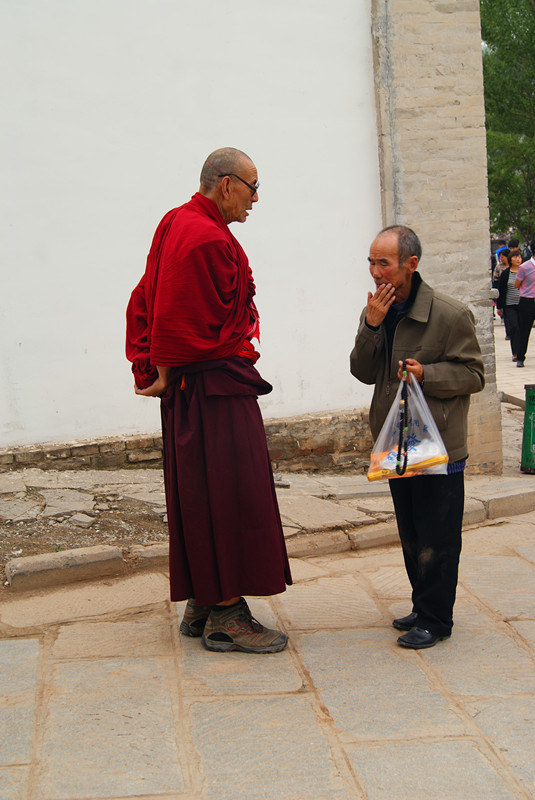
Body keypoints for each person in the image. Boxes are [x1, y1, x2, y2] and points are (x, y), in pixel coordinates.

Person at [126, 147, 292, 654]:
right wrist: (163, 366)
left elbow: (144, 296)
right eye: (253, 187)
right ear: (225, 185)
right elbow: (174, 314)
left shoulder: (178, 221)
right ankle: (227, 614)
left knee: (199, 492)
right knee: (231, 492)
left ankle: (202, 600)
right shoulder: (203, 237)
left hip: (190, 390)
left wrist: (155, 366)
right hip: (212, 390)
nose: (256, 198)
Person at [350, 225, 484, 649]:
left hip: (439, 446)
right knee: (410, 531)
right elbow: (363, 372)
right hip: (395, 443)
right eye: (371, 261)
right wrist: (371, 327)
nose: (375, 271)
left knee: (438, 535)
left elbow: (474, 375)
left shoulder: (449, 314)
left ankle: (435, 619)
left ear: (411, 263)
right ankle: (421, 605)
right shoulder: (377, 309)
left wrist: (429, 374)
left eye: (383, 262)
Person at [496, 249, 522, 361]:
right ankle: (515, 353)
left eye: (519, 257)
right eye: (515, 257)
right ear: (510, 259)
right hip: (509, 305)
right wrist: (499, 306)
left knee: (522, 329)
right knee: (514, 328)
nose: (517, 259)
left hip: (523, 305)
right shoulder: (506, 273)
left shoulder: (525, 271)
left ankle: (521, 351)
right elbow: (501, 290)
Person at [514, 249, 535, 368]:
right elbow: (517, 284)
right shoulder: (524, 267)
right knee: (524, 331)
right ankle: (520, 357)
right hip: (527, 302)